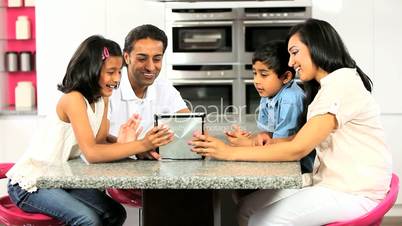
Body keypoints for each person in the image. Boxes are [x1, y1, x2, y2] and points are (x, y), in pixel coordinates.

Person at [190, 18, 392, 226]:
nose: (290, 62)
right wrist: (255, 142)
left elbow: (298, 149)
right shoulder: (329, 85)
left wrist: (228, 153)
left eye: (295, 52)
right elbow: (300, 138)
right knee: (245, 209)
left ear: (316, 47)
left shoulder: (341, 85)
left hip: (353, 191)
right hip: (331, 183)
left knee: (261, 221)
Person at [6, 35, 173, 226]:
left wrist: (130, 145)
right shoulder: (73, 99)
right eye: (111, 72)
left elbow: (99, 141)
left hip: (60, 179)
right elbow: (92, 152)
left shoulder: (100, 98)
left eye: (119, 72)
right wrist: (140, 144)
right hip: (32, 183)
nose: (117, 78)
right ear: (91, 71)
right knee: (87, 220)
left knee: (115, 213)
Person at [225, 40, 315, 174]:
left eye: (264, 74)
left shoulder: (290, 100)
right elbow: (269, 134)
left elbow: (282, 146)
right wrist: (253, 139)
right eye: (254, 73)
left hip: (301, 169)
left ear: (285, 77)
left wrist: (247, 145)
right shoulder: (268, 93)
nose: (256, 80)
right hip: (281, 158)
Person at [108, 24, 190, 160]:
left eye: (157, 59)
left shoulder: (164, 88)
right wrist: (136, 148)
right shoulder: (109, 87)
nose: (151, 67)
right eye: (142, 58)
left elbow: (191, 125)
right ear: (126, 57)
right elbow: (96, 140)